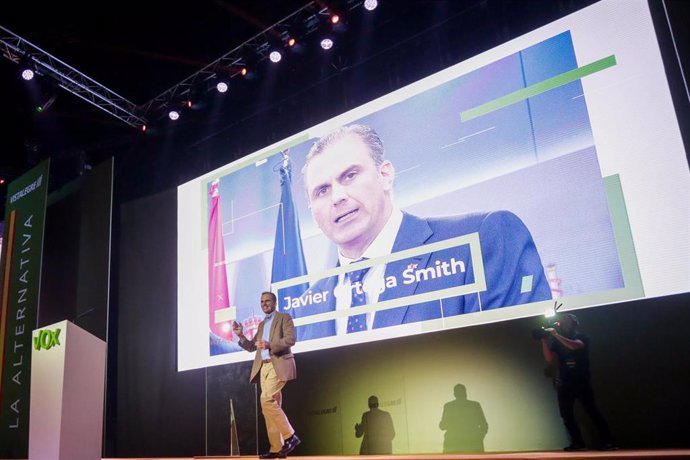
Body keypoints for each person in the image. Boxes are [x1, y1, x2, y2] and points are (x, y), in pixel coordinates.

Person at [292, 124, 552, 340]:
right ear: (312, 210)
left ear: (385, 175)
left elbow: (521, 366)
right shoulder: (305, 310)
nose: (337, 196)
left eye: (350, 176)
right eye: (322, 191)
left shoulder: (482, 240)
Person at [233, 292, 301, 459]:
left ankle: (290, 436)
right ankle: (277, 448)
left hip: (278, 363)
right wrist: (241, 335)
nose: (264, 304)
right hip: (263, 368)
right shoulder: (262, 324)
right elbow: (251, 347)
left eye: (267, 301)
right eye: (262, 302)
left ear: (275, 303)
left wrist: (270, 345)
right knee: (269, 407)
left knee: (266, 399)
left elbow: (290, 340)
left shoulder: (284, 318)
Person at [540, 313, 618, 451]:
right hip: (565, 381)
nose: (563, 322)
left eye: (566, 319)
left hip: (580, 380)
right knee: (566, 414)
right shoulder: (558, 341)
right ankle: (577, 443)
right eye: (562, 320)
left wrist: (556, 335)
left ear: (575, 322)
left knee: (592, 411)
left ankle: (609, 442)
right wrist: (544, 340)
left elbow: (575, 346)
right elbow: (549, 359)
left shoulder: (581, 337)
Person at [439, 384, 488, 452]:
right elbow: (484, 425)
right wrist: (478, 438)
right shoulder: (475, 405)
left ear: (454, 394)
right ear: (465, 393)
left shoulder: (449, 406)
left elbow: (443, 426)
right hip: (473, 445)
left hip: (453, 444)